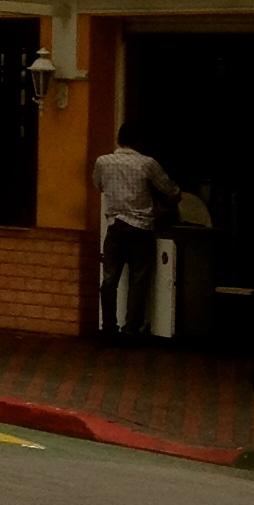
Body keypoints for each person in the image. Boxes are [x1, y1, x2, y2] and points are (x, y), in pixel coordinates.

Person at [92, 120, 179, 340]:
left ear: (118, 139)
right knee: (138, 280)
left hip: (115, 227)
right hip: (141, 228)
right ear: (139, 141)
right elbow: (172, 191)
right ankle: (131, 329)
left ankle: (108, 327)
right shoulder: (148, 164)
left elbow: (98, 185)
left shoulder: (102, 162)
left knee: (109, 279)